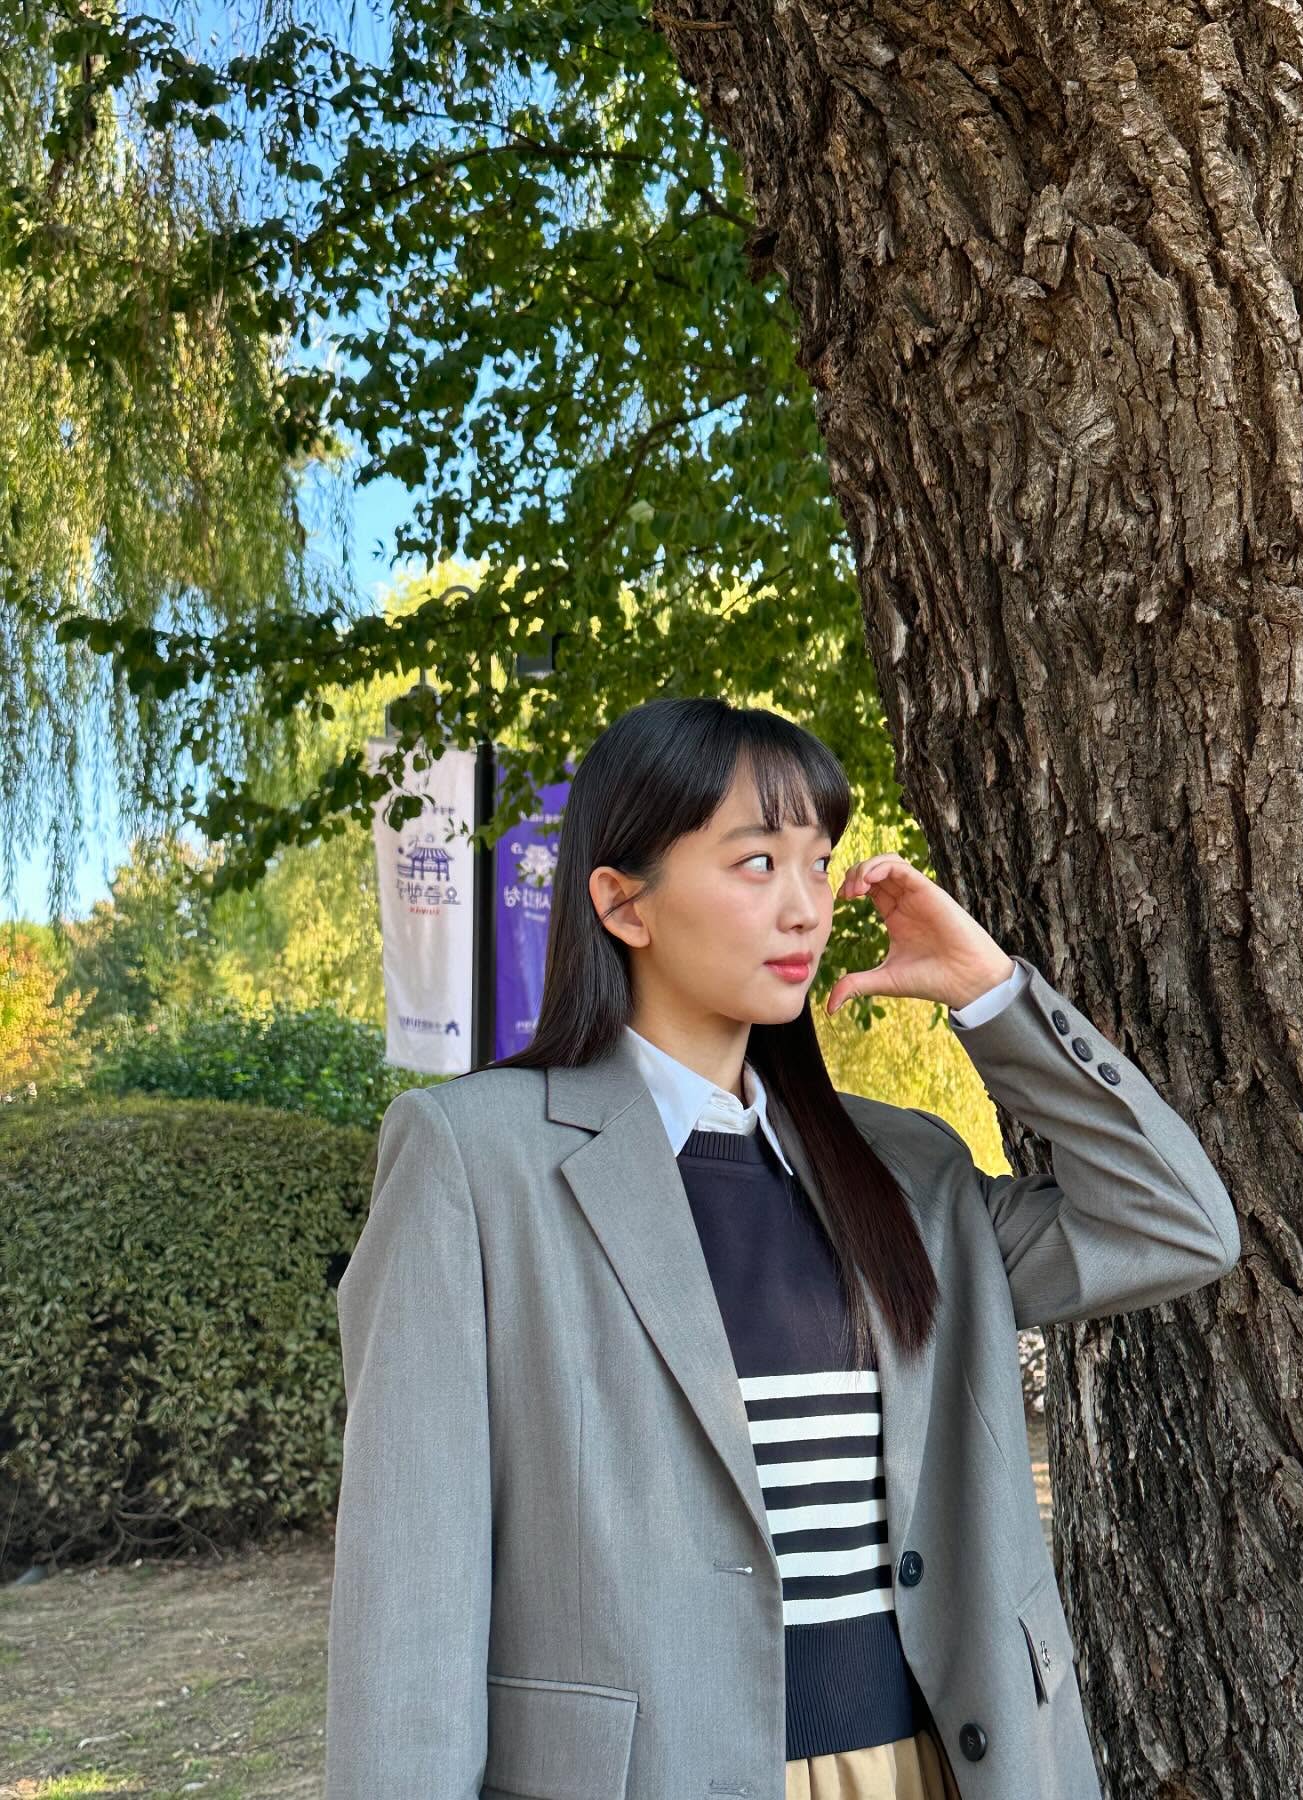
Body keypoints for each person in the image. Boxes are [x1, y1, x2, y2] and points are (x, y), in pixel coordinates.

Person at [323, 695, 1242, 1800]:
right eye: (756, 863)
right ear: (621, 903)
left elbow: (1175, 1222)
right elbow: (410, 1594)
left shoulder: (904, 1169)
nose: (806, 908)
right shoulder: (477, 1161)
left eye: (819, 863)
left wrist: (993, 997)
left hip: (935, 1768)